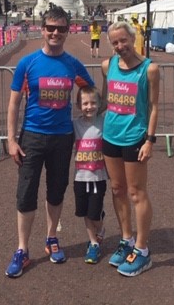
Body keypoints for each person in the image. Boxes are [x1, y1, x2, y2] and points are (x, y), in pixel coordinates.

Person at [5, 6, 95, 278]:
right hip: (32, 135)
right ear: (42, 30)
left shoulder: (72, 64)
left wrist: (86, 112)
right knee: (26, 193)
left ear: (68, 31)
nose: (56, 33)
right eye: (51, 28)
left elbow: (89, 90)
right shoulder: (27, 63)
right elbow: (14, 103)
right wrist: (10, 139)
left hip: (62, 136)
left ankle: (51, 237)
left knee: (56, 191)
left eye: (61, 29)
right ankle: (22, 249)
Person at [101, 21, 159, 277]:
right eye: (115, 42)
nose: (120, 46)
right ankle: (126, 238)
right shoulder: (108, 65)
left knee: (136, 192)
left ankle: (142, 249)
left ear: (133, 38)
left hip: (135, 137)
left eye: (123, 40)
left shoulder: (150, 69)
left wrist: (150, 140)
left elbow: (154, 106)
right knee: (117, 189)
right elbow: (105, 99)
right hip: (110, 136)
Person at [72, 86, 108, 265]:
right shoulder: (75, 125)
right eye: (85, 103)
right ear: (78, 105)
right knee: (84, 212)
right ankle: (93, 243)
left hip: (98, 177)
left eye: (93, 103)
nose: (89, 106)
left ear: (100, 104)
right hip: (80, 177)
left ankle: (100, 229)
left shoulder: (103, 122)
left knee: (94, 214)